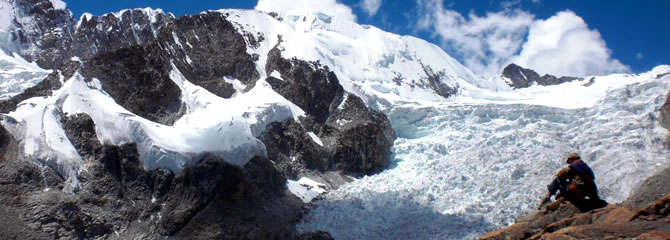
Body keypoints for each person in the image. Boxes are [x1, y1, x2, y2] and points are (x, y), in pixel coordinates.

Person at [539, 153, 607, 212]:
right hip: (587, 192)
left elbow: (560, 174)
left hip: (575, 192)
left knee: (557, 180)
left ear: (572, 159)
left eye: (569, 161)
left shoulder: (575, 165)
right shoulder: (586, 168)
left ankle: (547, 197)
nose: (569, 163)